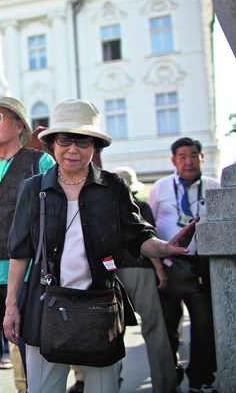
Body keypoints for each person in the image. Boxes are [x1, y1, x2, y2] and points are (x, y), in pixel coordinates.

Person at [3, 99, 199, 393]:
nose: (72, 149)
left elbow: (138, 237)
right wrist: (10, 307)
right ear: (53, 144)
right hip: (45, 306)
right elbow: (20, 253)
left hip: (99, 308)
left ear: (94, 146)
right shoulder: (33, 189)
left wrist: (165, 247)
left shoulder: (112, 187)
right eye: (65, 140)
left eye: (82, 141)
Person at [0, 97, 56, 393]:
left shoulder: (39, 161)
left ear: (19, 126)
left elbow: (53, 212)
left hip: (28, 274)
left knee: (32, 352)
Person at [148, 137, 220, 393]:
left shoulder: (214, 186)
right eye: (182, 156)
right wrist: (157, 264)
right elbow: (150, 227)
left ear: (202, 157)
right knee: (168, 328)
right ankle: (172, 378)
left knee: (204, 327)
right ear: (174, 161)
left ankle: (201, 379)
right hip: (168, 266)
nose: (188, 162)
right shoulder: (160, 187)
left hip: (200, 268)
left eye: (193, 156)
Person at [112, 166, 177, 393]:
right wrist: (160, 270)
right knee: (154, 328)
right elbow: (149, 240)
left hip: (113, 273)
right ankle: (165, 386)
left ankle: (109, 386)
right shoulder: (141, 206)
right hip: (141, 270)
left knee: (112, 334)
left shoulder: (104, 207)